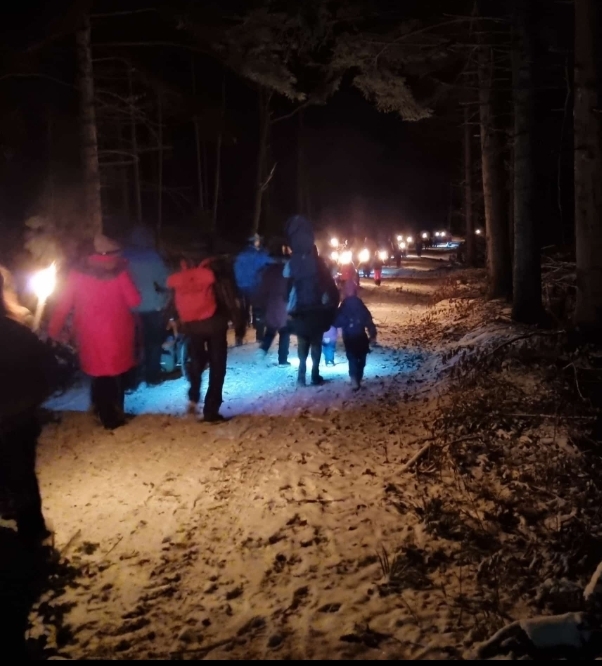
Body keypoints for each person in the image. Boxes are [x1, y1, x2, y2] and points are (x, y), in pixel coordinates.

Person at [48, 234, 141, 430]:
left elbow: (63, 304)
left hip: (89, 334)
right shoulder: (119, 273)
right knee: (114, 374)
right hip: (118, 333)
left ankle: (101, 411)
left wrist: (53, 330)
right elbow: (134, 301)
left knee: (99, 374)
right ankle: (113, 416)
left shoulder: (77, 274)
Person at [0, 267, 59, 547]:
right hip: (17, 416)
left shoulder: (17, 328)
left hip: (16, 413)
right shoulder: (15, 330)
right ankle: (31, 530)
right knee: (21, 472)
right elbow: (47, 371)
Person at [167, 253, 228, 422]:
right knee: (217, 365)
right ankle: (211, 410)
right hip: (215, 322)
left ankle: (193, 397)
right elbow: (227, 294)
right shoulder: (214, 267)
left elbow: (172, 298)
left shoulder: (180, 270)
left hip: (192, 324)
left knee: (196, 360)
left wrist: (174, 318)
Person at [284, 215, 339, 387]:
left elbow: (286, 286)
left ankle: (301, 376)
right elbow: (331, 288)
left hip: (300, 312)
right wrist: (331, 307)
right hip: (317, 312)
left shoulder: (294, 264)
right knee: (316, 343)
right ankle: (315, 374)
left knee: (302, 343)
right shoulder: (320, 265)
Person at [122, 227, 171, 387]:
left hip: (129, 307)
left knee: (131, 343)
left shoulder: (123, 257)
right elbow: (164, 281)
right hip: (152, 304)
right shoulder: (153, 257)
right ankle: (152, 376)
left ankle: (131, 379)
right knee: (153, 341)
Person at [334, 279, 377, 390]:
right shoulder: (360, 305)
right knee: (361, 357)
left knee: (352, 357)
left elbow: (337, 321)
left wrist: (344, 323)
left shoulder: (343, 306)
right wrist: (372, 333)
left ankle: (354, 378)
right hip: (361, 336)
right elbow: (368, 320)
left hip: (349, 337)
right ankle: (358, 376)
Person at [233, 234, 275, 345]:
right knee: (259, 311)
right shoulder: (259, 254)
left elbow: (236, 269)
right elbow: (271, 262)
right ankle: (260, 336)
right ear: (255, 242)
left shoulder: (241, 255)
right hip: (256, 286)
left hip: (241, 286)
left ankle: (239, 336)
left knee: (242, 313)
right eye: (258, 240)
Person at [255, 250, 290, 367]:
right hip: (283, 303)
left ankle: (262, 349)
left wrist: (261, 305)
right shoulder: (286, 271)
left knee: (271, 328)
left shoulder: (267, 271)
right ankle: (283, 359)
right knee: (284, 331)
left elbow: (262, 289)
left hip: (271, 303)